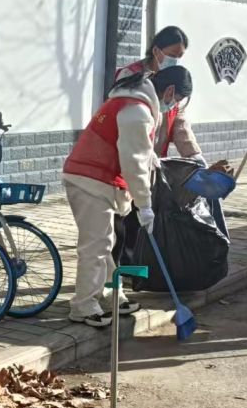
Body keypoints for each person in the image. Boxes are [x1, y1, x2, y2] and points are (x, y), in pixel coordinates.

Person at [63, 67, 195, 328]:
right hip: (90, 179)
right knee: (96, 245)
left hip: (96, 177)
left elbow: (135, 148)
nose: (173, 105)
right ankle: (83, 306)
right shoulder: (137, 111)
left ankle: (111, 294)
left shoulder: (134, 102)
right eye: (177, 99)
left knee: (106, 241)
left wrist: (152, 158)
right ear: (169, 91)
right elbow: (133, 162)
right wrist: (144, 205)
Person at [114, 25, 203, 162]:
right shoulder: (131, 76)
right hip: (128, 156)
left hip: (154, 158)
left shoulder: (174, 78)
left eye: (179, 57)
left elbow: (179, 119)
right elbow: (128, 122)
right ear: (156, 51)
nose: (175, 61)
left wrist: (193, 153)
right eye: (172, 56)